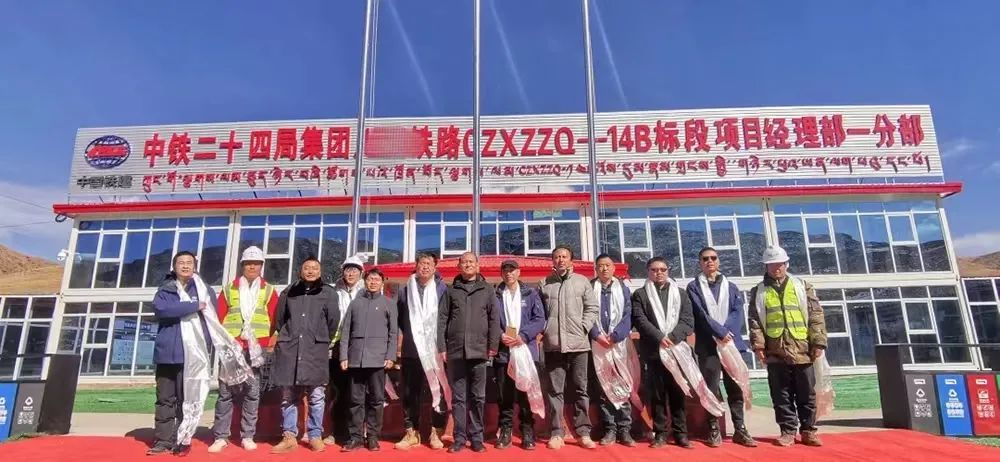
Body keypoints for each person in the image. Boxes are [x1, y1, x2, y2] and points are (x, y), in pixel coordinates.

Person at [748, 246, 827, 448]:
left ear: (787, 264)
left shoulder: (802, 286)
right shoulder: (759, 291)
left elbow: (816, 315)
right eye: (772, 264)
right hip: (775, 350)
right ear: (766, 266)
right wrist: (758, 346)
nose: (777, 268)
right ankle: (787, 431)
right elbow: (755, 321)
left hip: (802, 349)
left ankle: (808, 430)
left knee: (806, 393)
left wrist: (818, 342)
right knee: (781, 394)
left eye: (780, 264)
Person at [207, 246, 279, 453]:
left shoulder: (269, 290)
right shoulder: (229, 289)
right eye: (248, 263)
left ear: (261, 266)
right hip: (232, 349)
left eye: (256, 263)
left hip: (256, 349)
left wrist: (268, 343)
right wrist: (226, 343)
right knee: (225, 393)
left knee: (252, 392)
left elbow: (275, 320)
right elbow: (219, 318)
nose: (252, 267)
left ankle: (248, 435)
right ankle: (221, 436)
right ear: (242, 266)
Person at [148, 251, 217, 456]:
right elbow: (162, 310)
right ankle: (162, 440)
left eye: (189, 262)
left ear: (195, 266)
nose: (185, 266)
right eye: (181, 262)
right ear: (174, 266)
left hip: (192, 356)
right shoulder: (165, 289)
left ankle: (182, 439)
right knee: (164, 400)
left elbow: (211, 319)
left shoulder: (204, 290)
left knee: (186, 401)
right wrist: (193, 306)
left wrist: (205, 347)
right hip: (166, 354)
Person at [687, 247, 757, 448]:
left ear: (718, 261)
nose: (709, 261)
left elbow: (737, 312)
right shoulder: (694, 287)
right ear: (700, 263)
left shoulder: (731, 286)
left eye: (713, 258)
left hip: (730, 344)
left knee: (734, 386)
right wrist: (719, 332)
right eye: (705, 259)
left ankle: (740, 428)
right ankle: (713, 428)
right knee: (711, 388)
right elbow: (701, 314)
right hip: (709, 346)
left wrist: (727, 332)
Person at [271, 258, 341, 454]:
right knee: (288, 396)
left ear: (320, 272)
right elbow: (279, 320)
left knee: (317, 396)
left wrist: (318, 337)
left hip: (315, 351)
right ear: (300, 271)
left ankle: (315, 435)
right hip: (291, 350)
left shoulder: (328, 293)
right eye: (307, 268)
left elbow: (333, 321)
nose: (310, 271)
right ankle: (289, 436)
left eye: (314, 268)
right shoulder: (289, 291)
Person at [437, 252, 500, 453]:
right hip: (456, 352)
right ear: (459, 266)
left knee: (478, 397)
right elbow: (442, 320)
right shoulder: (451, 290)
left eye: (471, 262)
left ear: (478, 265)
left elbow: (494, 319)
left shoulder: (487, 290)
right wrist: (442, 347)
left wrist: (493, 345)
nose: (467, 265)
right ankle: (459, 438)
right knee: (458, 398)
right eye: (464, 262)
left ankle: (477, 438)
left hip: (480, 351)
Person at [538, 246, 599, 450]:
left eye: (564, 256)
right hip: (553, 345)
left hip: (578, 344)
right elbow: (540, 313)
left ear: (571, 260)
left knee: (581, 389)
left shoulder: (582, 282)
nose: (560, 260)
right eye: (557, 257)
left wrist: (583, 327)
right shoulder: (545, 283)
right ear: (552, 261)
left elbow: (592, 308)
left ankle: (583, 432)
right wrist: (545, 330)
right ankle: (556, 432)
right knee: (555, 390)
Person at [631, 257, 695, 449]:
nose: (658, 273)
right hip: (654, 351)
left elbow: (688, 320)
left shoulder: (680, 294)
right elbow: (640, 320)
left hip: (676, 350)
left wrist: (673, 337)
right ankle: (660, 433)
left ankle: (681, 434)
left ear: (668, 271)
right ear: (648, 272)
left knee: (677, 393)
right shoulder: (640, 294)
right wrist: (659, 337)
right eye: (654, 270)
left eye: (662, 269)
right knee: (657, 394)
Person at [395, 253, 450, 450]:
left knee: (439, 389)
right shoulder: (405, 290)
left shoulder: (443, 289)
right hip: (412, 349)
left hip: (435, 349)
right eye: (421, 263)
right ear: (416, 266)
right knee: (410, 392)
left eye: (429, 264)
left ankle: (437, 430)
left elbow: (447, 318)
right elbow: (400, 320)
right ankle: (412, 432)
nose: (425, 267)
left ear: (435, 268)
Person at [340, 268, 398, 452]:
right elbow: (346, 331)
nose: (373, 282)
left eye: (376, 280)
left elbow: (393, 332)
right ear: (365, 282)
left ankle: (373, 436)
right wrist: (343, 355)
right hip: (356, 358)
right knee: (355, 400)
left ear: (382, 282)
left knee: (376, 400)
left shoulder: (389, 303)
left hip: (378, 360)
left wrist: (390, 356)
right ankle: (355, 437)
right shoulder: (356, 303)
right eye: (370, 279)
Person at [493, 259, 546, 450]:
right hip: (504, 352)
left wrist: (523, 336)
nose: (509, 273)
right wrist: (500, 335)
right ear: (501, 274)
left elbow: (539, 319)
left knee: (525, 393)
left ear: (519, 272)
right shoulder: (495, 294)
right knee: (504, 394)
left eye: (512, 270)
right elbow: (490, 319)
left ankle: (527, 430)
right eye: (505, 270)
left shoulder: (531, 293)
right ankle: (505, 430)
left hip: (525, 350)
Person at [588, 254, 636, 447]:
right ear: (596, 269)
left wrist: (616, 335)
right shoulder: (590, 287)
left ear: (614, 268)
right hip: (598, 343)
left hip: (618, 344)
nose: (604, 269)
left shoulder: (622, 288)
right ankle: (610, 429)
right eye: (600, 266)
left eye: (608, 265)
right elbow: (586, 313)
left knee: (622, 384)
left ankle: (625, 429)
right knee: (604, 387)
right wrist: (596, 334)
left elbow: (628, 314)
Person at [325, 255, 366, 446]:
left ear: (361, 273)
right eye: (347, 270)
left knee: (357, 392)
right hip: (337, 347)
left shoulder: (366, 291)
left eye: (354, 270)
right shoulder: (334, 291)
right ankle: (337, 431)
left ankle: (357, 431)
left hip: (359, 347)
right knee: (338, 391)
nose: (350, 274)